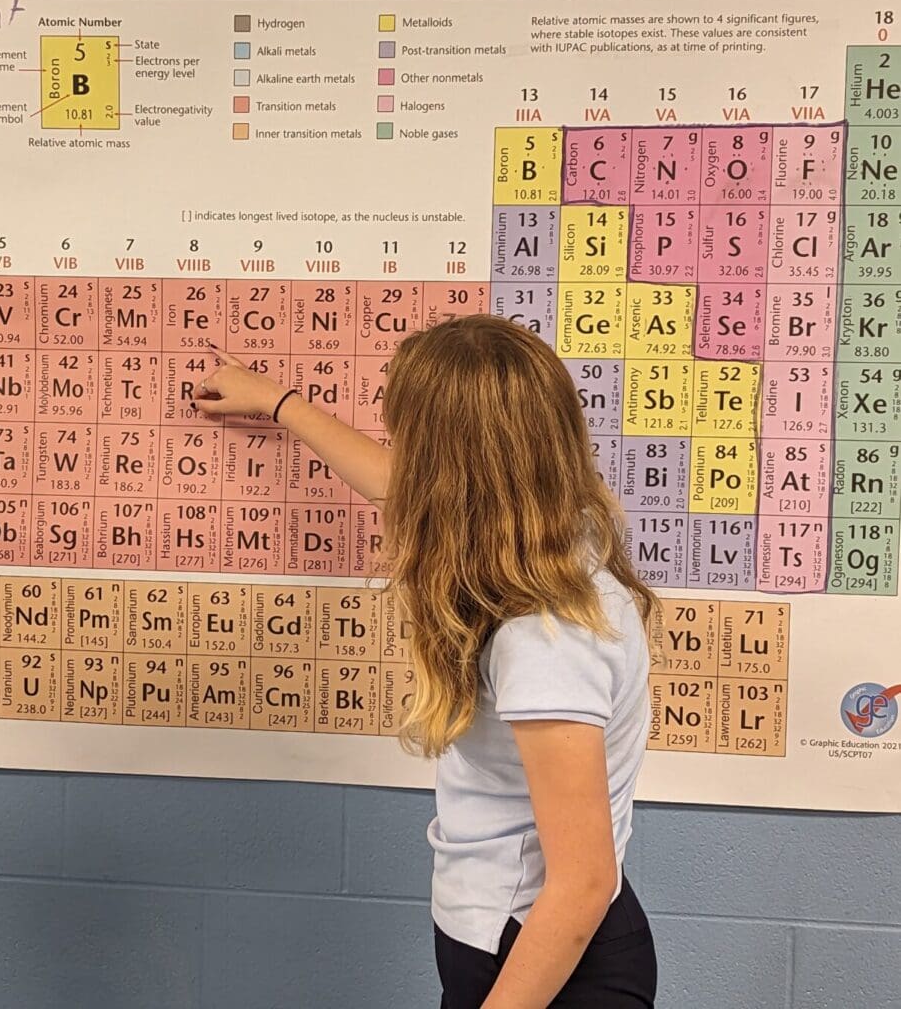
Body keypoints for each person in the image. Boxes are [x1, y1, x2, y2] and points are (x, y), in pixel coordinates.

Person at [194, 314, 658, 1008]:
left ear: (448, 464)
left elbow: (584, 881)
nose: (399, 454)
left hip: (542, 957)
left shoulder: (543, 638)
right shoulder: (554, 533)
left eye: (408, 436)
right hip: (520, 937)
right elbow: (392, 483)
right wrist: (277, 401)